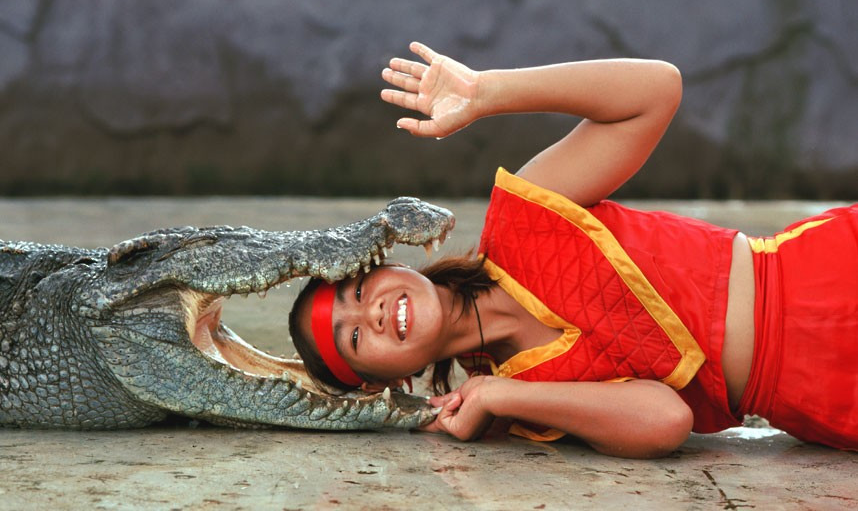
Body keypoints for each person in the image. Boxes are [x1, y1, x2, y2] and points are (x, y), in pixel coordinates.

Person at [288, 42, 858, 459]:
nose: (374, 312)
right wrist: (501, 394)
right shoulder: (514, 405)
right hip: (816, 393)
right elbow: (666, 420)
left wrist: (487, 93)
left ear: (387, 267)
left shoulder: (523, 217)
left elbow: (657, 90)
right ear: (383, 384)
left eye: (359, 291)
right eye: (355, 336)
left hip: (826, 267)